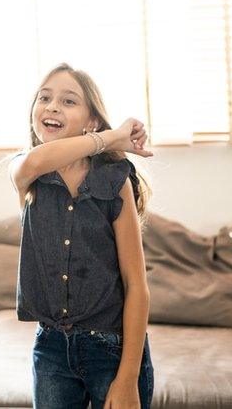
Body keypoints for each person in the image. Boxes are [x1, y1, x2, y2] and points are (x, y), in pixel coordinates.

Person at [8, 63, 155, 409]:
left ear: (91, 121)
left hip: (112, 347)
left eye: (69, 101)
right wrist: (111, 137)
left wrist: (128, 378)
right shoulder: (27, 172)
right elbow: (36, 161)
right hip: (52, 350)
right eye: (44, 97)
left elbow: (137, 286)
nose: (53, 106)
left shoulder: (114, 181)